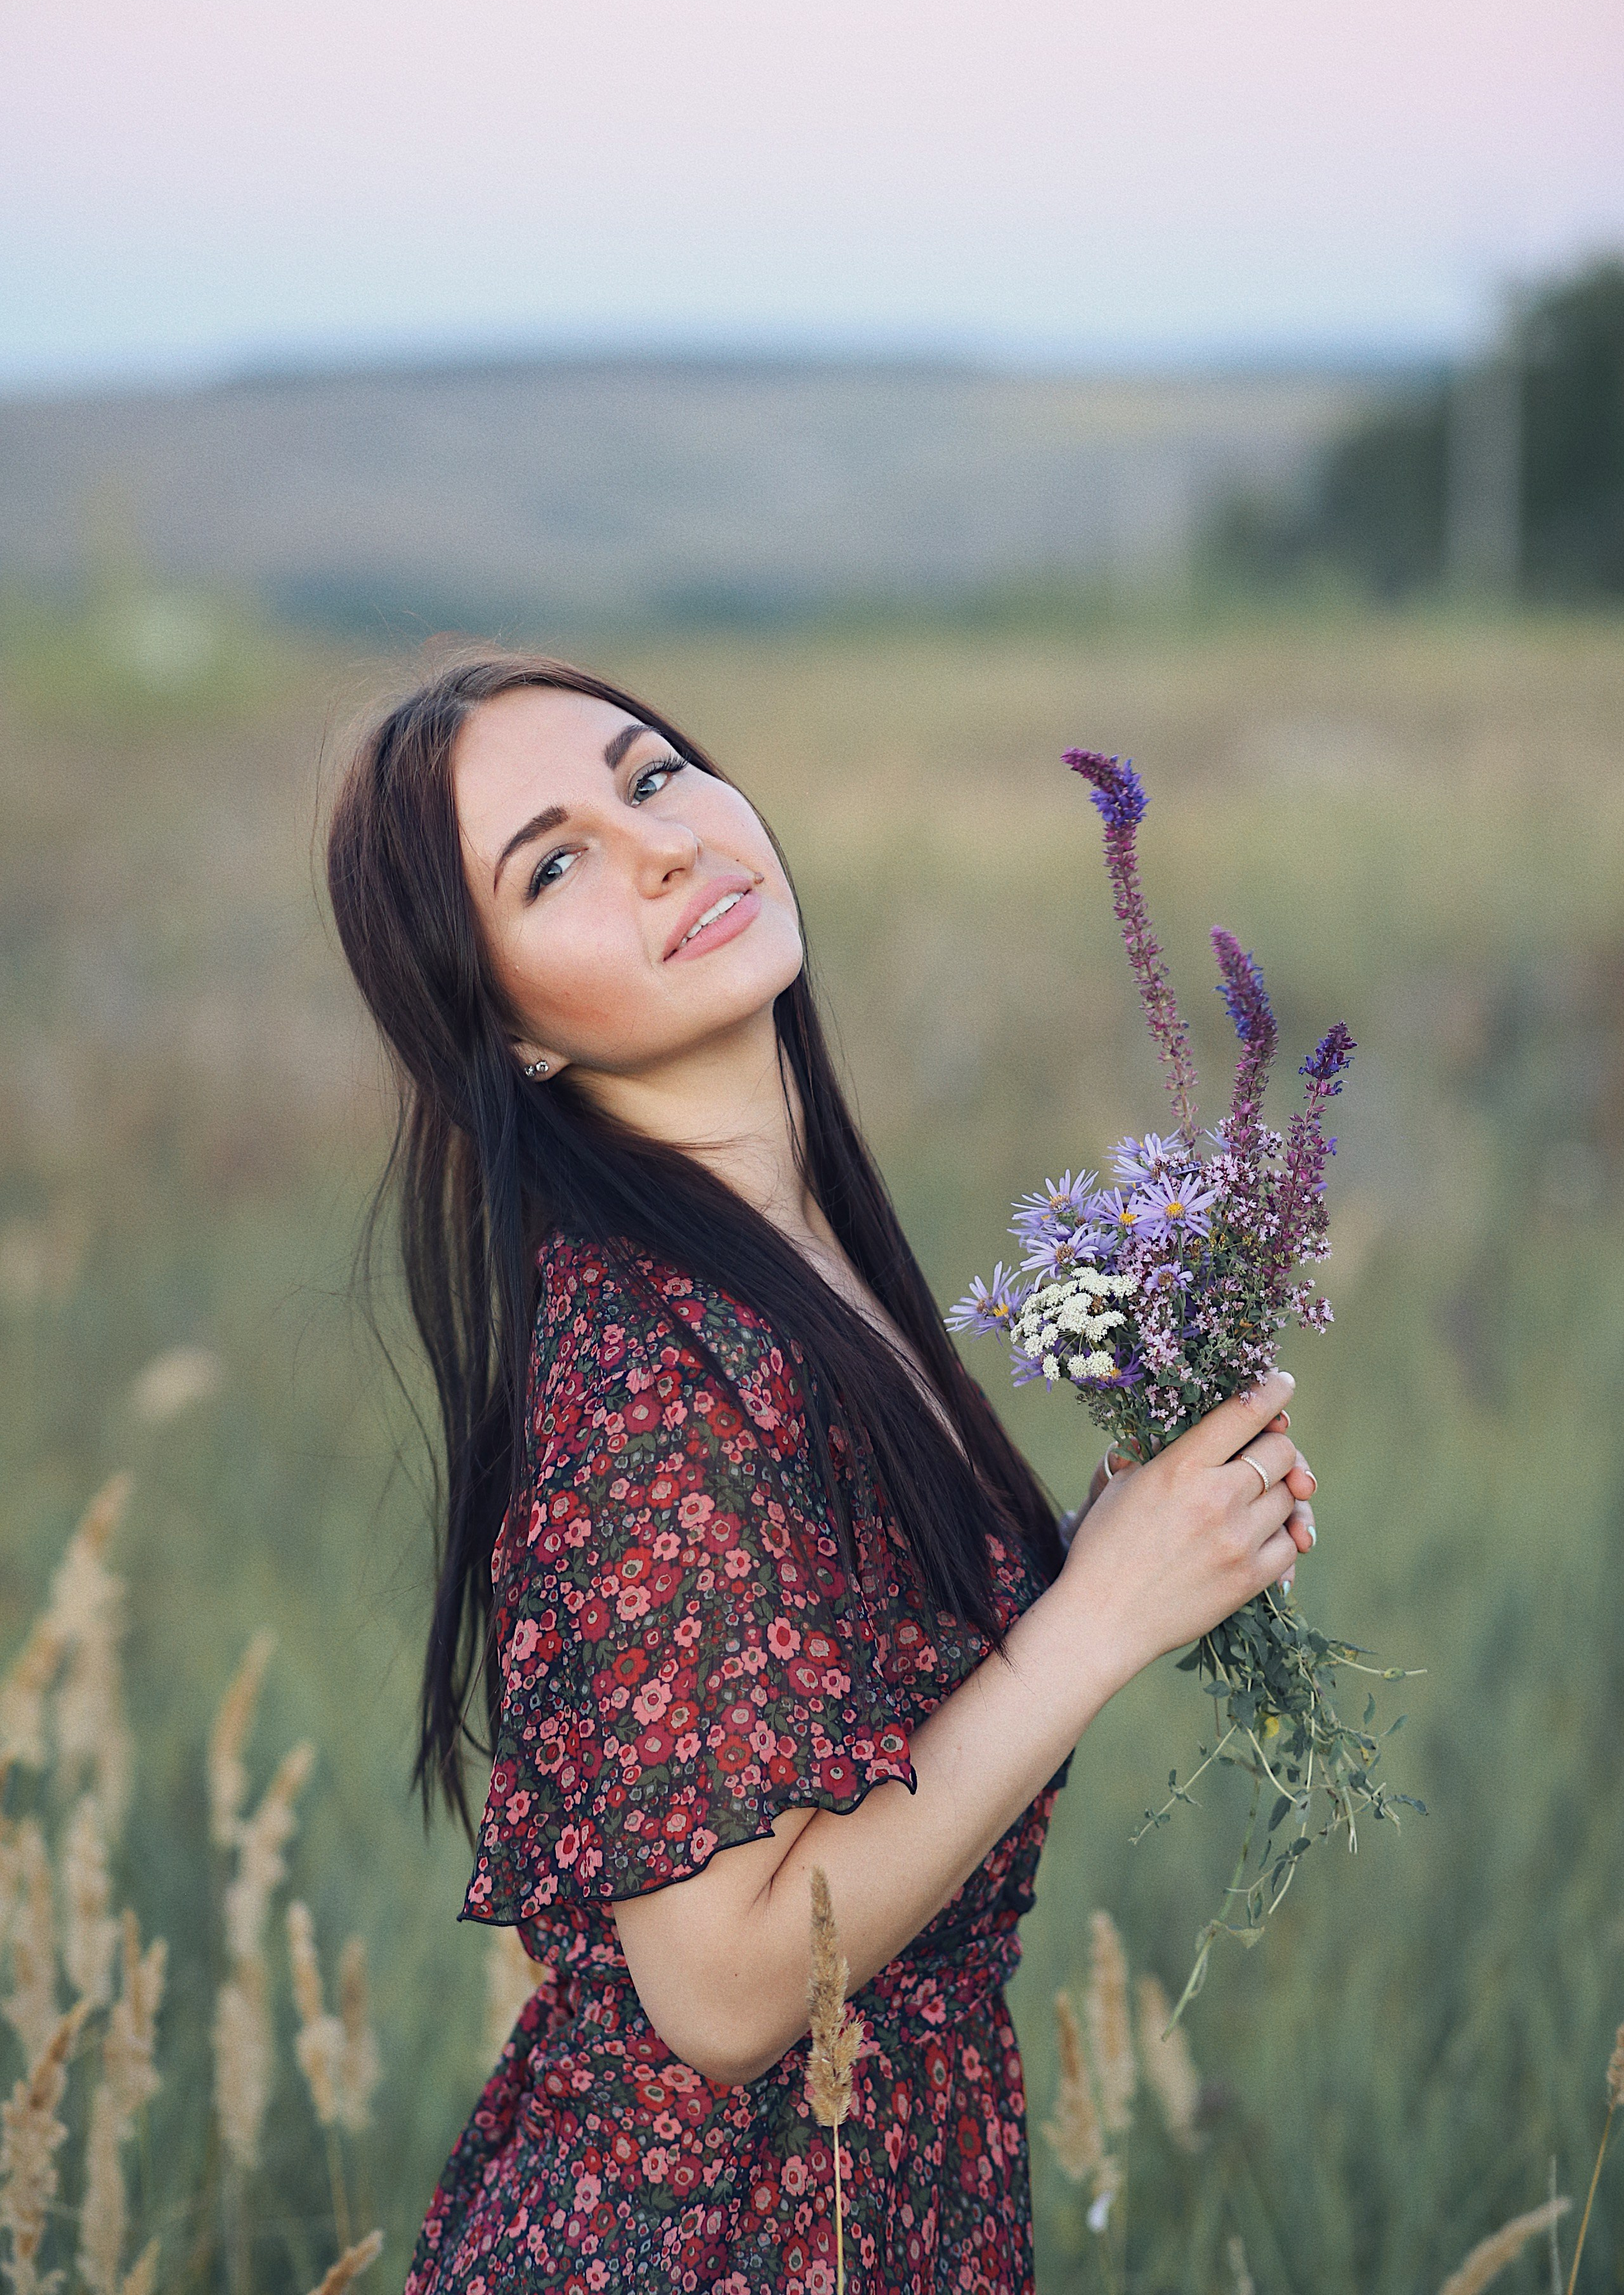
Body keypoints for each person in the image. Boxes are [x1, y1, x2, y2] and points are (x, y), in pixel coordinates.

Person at [325, 648, 1316, 2295]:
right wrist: (1103, 1616)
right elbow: (719, 1995)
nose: (656, 842)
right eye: (552, 863)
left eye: (652, 775)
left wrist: (1146, 1539)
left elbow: (871, 1738)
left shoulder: (788, 1261)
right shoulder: (645, 1379)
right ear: (496, 1032)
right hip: (711, 2245)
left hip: (873, 2216)